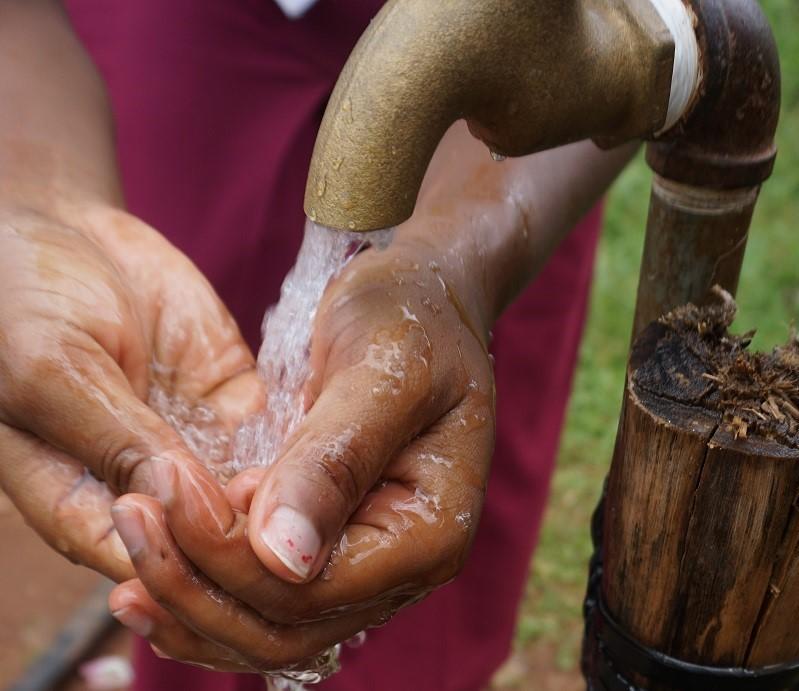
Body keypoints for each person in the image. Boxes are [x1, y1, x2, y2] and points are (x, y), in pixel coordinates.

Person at [0, 1, 636, 689]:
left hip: (509, 95)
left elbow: (622, 36)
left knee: (411, 496)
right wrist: (45, 199)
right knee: (179, 549)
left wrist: (452, 267)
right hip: (173, 30)